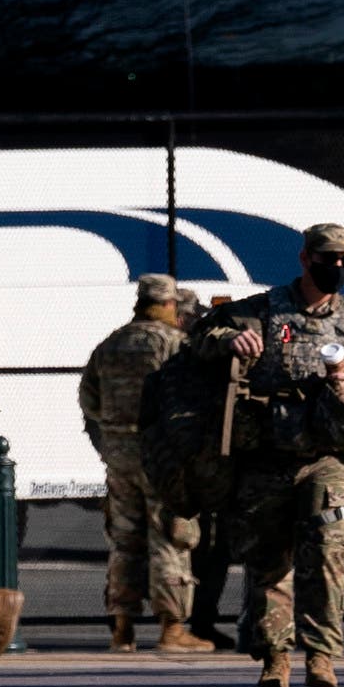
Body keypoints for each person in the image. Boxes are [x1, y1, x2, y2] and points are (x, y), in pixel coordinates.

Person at [187, 224, 344, 687]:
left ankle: (321, 656)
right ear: (306, 259)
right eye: (329, 259)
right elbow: (199, 335)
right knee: (268, 560)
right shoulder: (265, 310)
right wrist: (229, 341)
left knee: (328, 552)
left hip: (328, 456)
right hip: (267, 453)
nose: (338, 268)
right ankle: (275, 656)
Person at [79, 272, 206, 653]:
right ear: (168, 304)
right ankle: (172, 627)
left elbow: (90, 400)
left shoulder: (111, 344)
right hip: (162, 455)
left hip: (119, 454)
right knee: (169, 534)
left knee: (125, 537)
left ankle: (122, 627)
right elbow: (194, 401)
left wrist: (112, 439)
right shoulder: (176, 344)